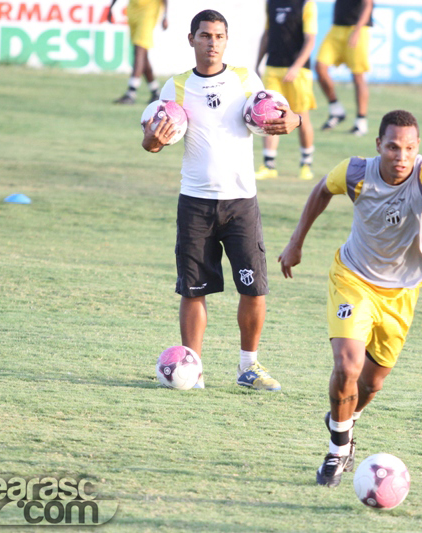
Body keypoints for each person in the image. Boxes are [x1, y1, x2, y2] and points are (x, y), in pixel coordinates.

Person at [278, 110, 422, 485]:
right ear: (378, 146)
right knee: (347, 364)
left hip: (402, 292)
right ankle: (338, 450)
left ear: (417, 147)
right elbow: (322, 189)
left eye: (408, 148)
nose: (400, 156)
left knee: (371, 385)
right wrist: (295, 243)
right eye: (392, 147)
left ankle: (345, 418)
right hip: (353, 278)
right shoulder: (356, 172)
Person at [142, 9, 301, 391]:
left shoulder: (246, 79)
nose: (212, 43)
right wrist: (154, 141)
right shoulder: (175, 88)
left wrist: (292, 119)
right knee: (193, 289)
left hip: (241, 202)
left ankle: (249, 367)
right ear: (191, 39)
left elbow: (282, 113)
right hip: (195, 202)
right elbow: (151, 142)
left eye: (218, 36)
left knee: (254, 288)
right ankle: (192, 369)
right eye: (205, 35)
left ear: (226, 41)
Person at [254, 0, 318, 182]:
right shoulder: (271, 2)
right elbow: (267, 34)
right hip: (273, 68)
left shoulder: (306, 4)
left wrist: (296, 66)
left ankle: (306, 164)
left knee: (301, 116)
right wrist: (257, 63)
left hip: (299, 71)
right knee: (269, 115)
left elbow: (310, 39)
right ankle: (268, 165)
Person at [315, 0, 373, 136]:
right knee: (320, 66)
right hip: (336, 28)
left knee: (358, 75)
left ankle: (361, 120)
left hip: (356, 28)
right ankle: (336, 110)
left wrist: (357, 30)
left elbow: (367, 4)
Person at [108, 0, 168, 104]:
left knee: (139, 50)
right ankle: (155, 92)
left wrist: (165, 15)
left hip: (149, 10)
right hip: (133, 10)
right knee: (142, 54)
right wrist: (111, 7)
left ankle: (131, 92)